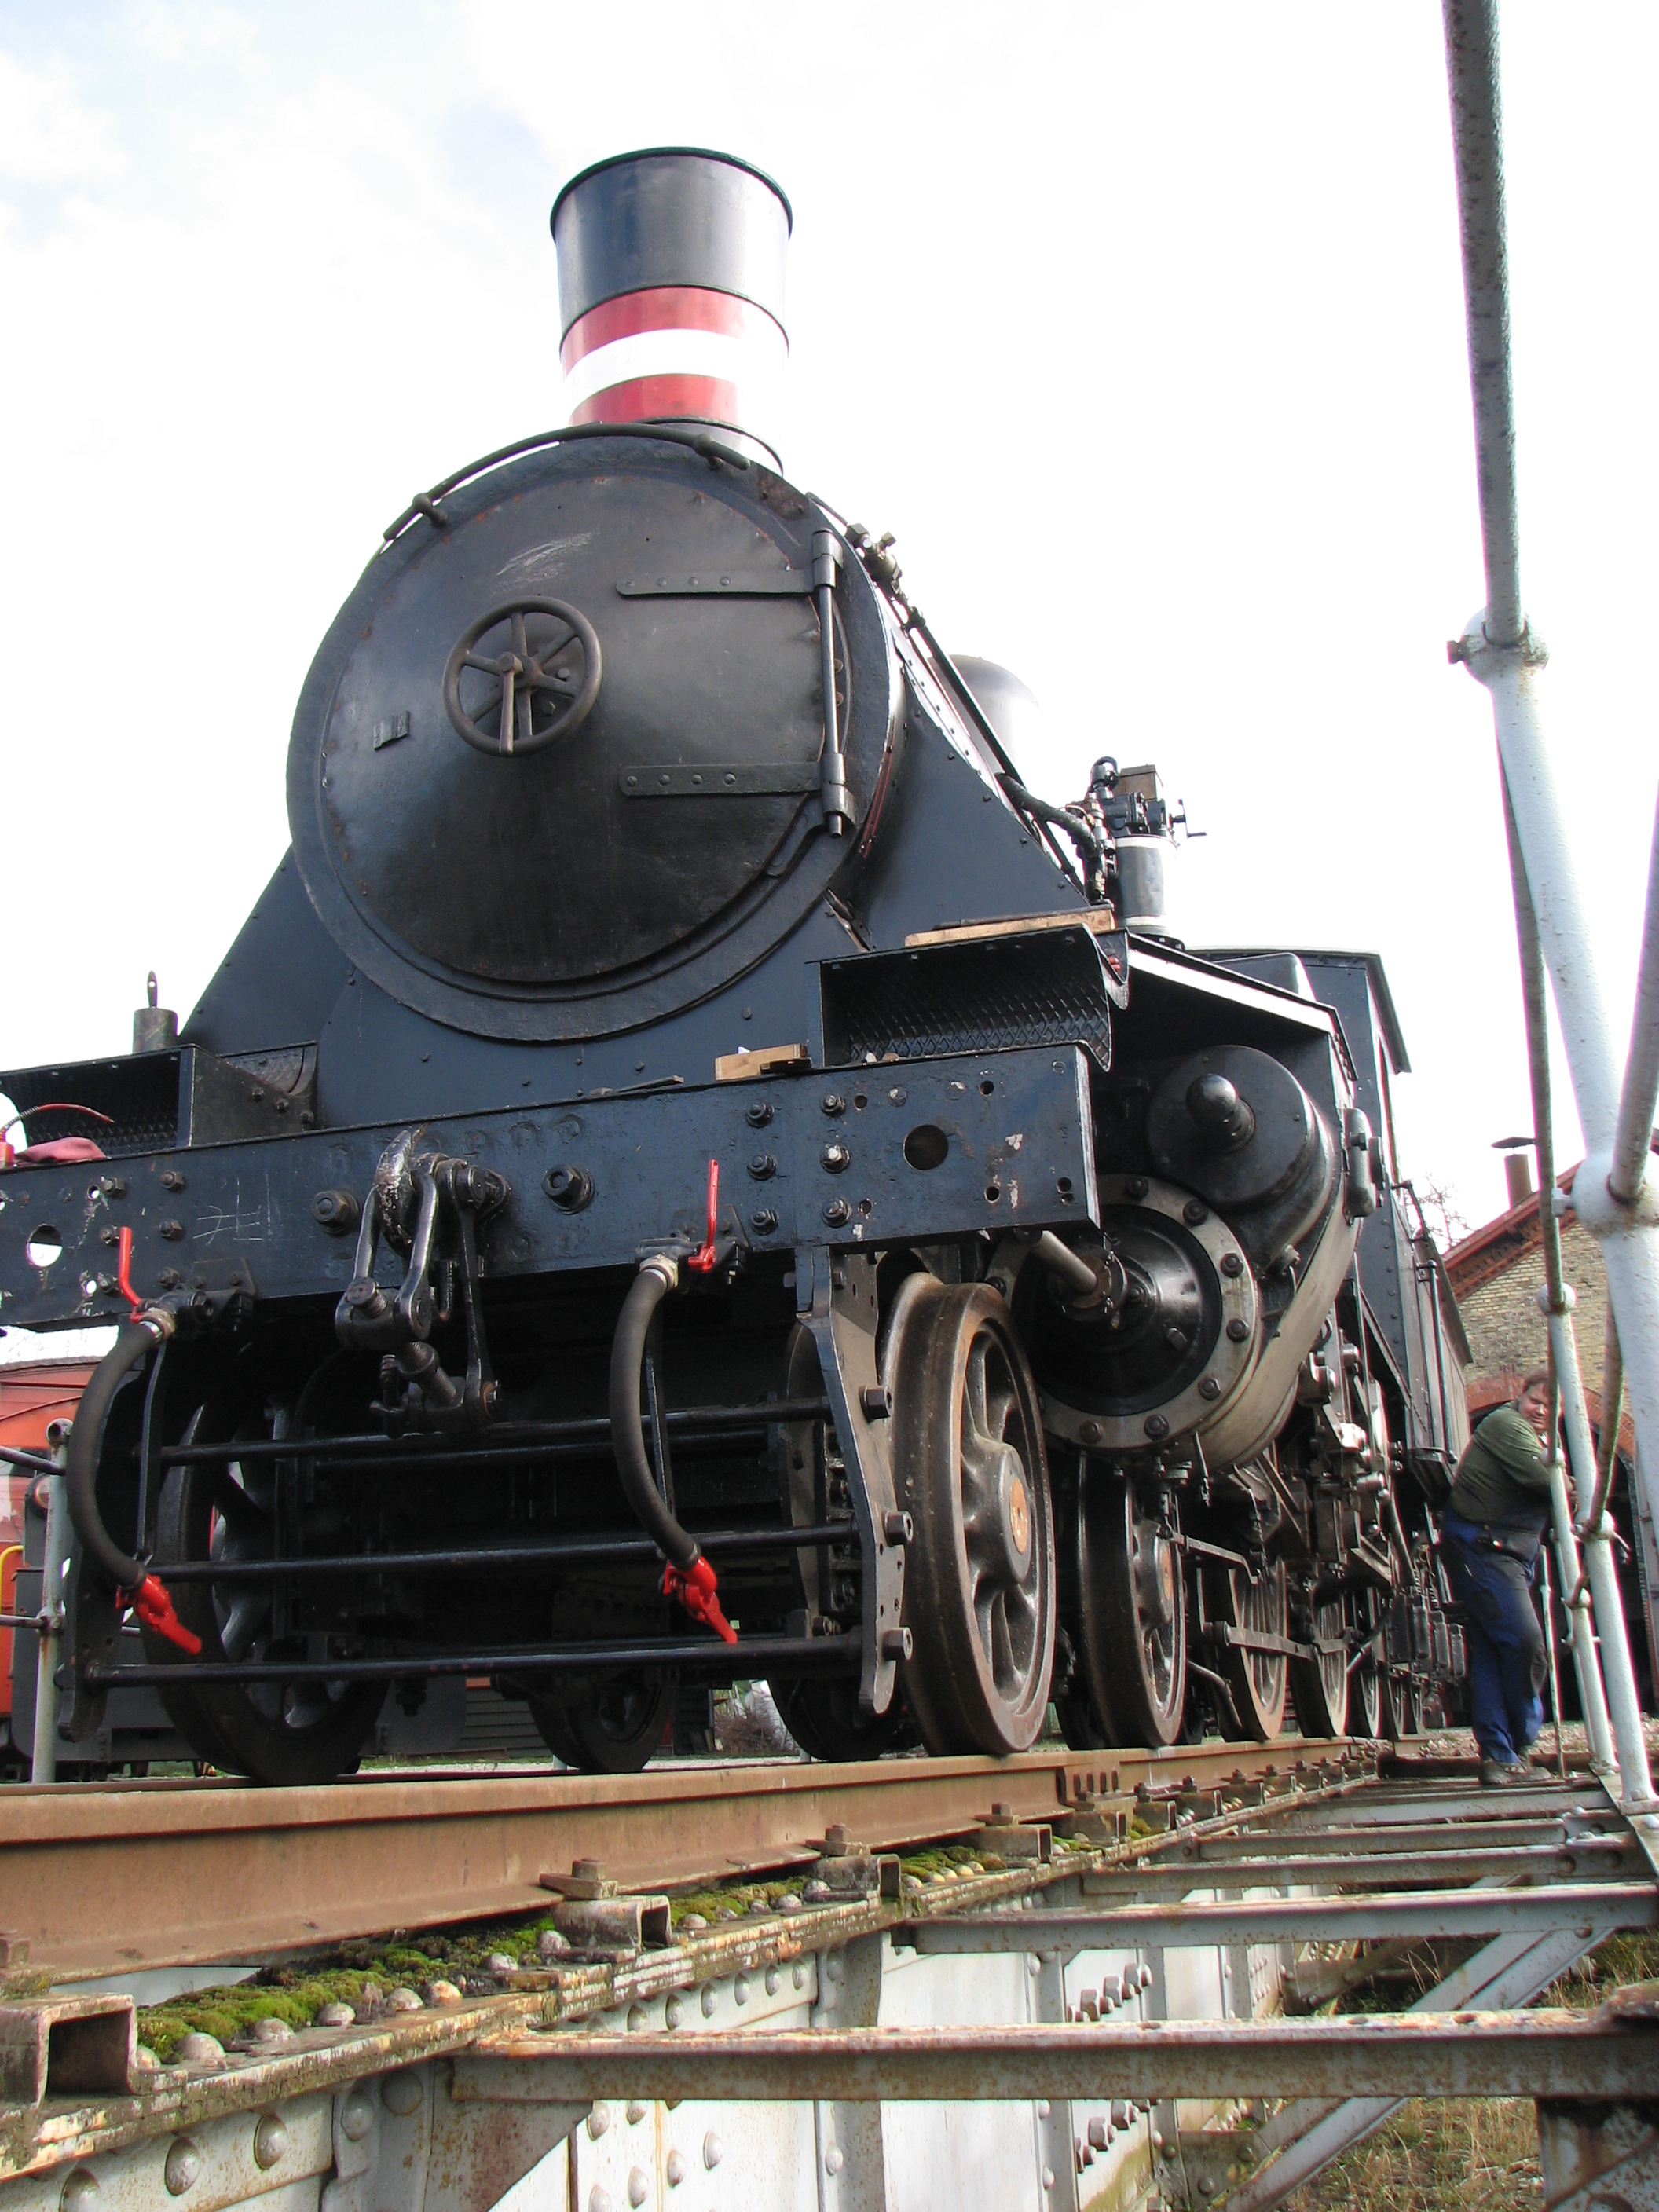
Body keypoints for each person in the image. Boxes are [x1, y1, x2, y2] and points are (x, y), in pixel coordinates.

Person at [1439, 1368, 1554, 1787]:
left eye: (1549, 1406)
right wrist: (1572, 1485)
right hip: (1485, 1550)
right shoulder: (1508, 1426)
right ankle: (1518, 1742)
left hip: (1503, 1552)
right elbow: (1546, 1480)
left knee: (1493, 1648)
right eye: (1535, 1400)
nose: (1540, 1410)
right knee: (1525, 1643)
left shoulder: (1536, 1439)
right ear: (1521, 1397)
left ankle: (1500, 1757)